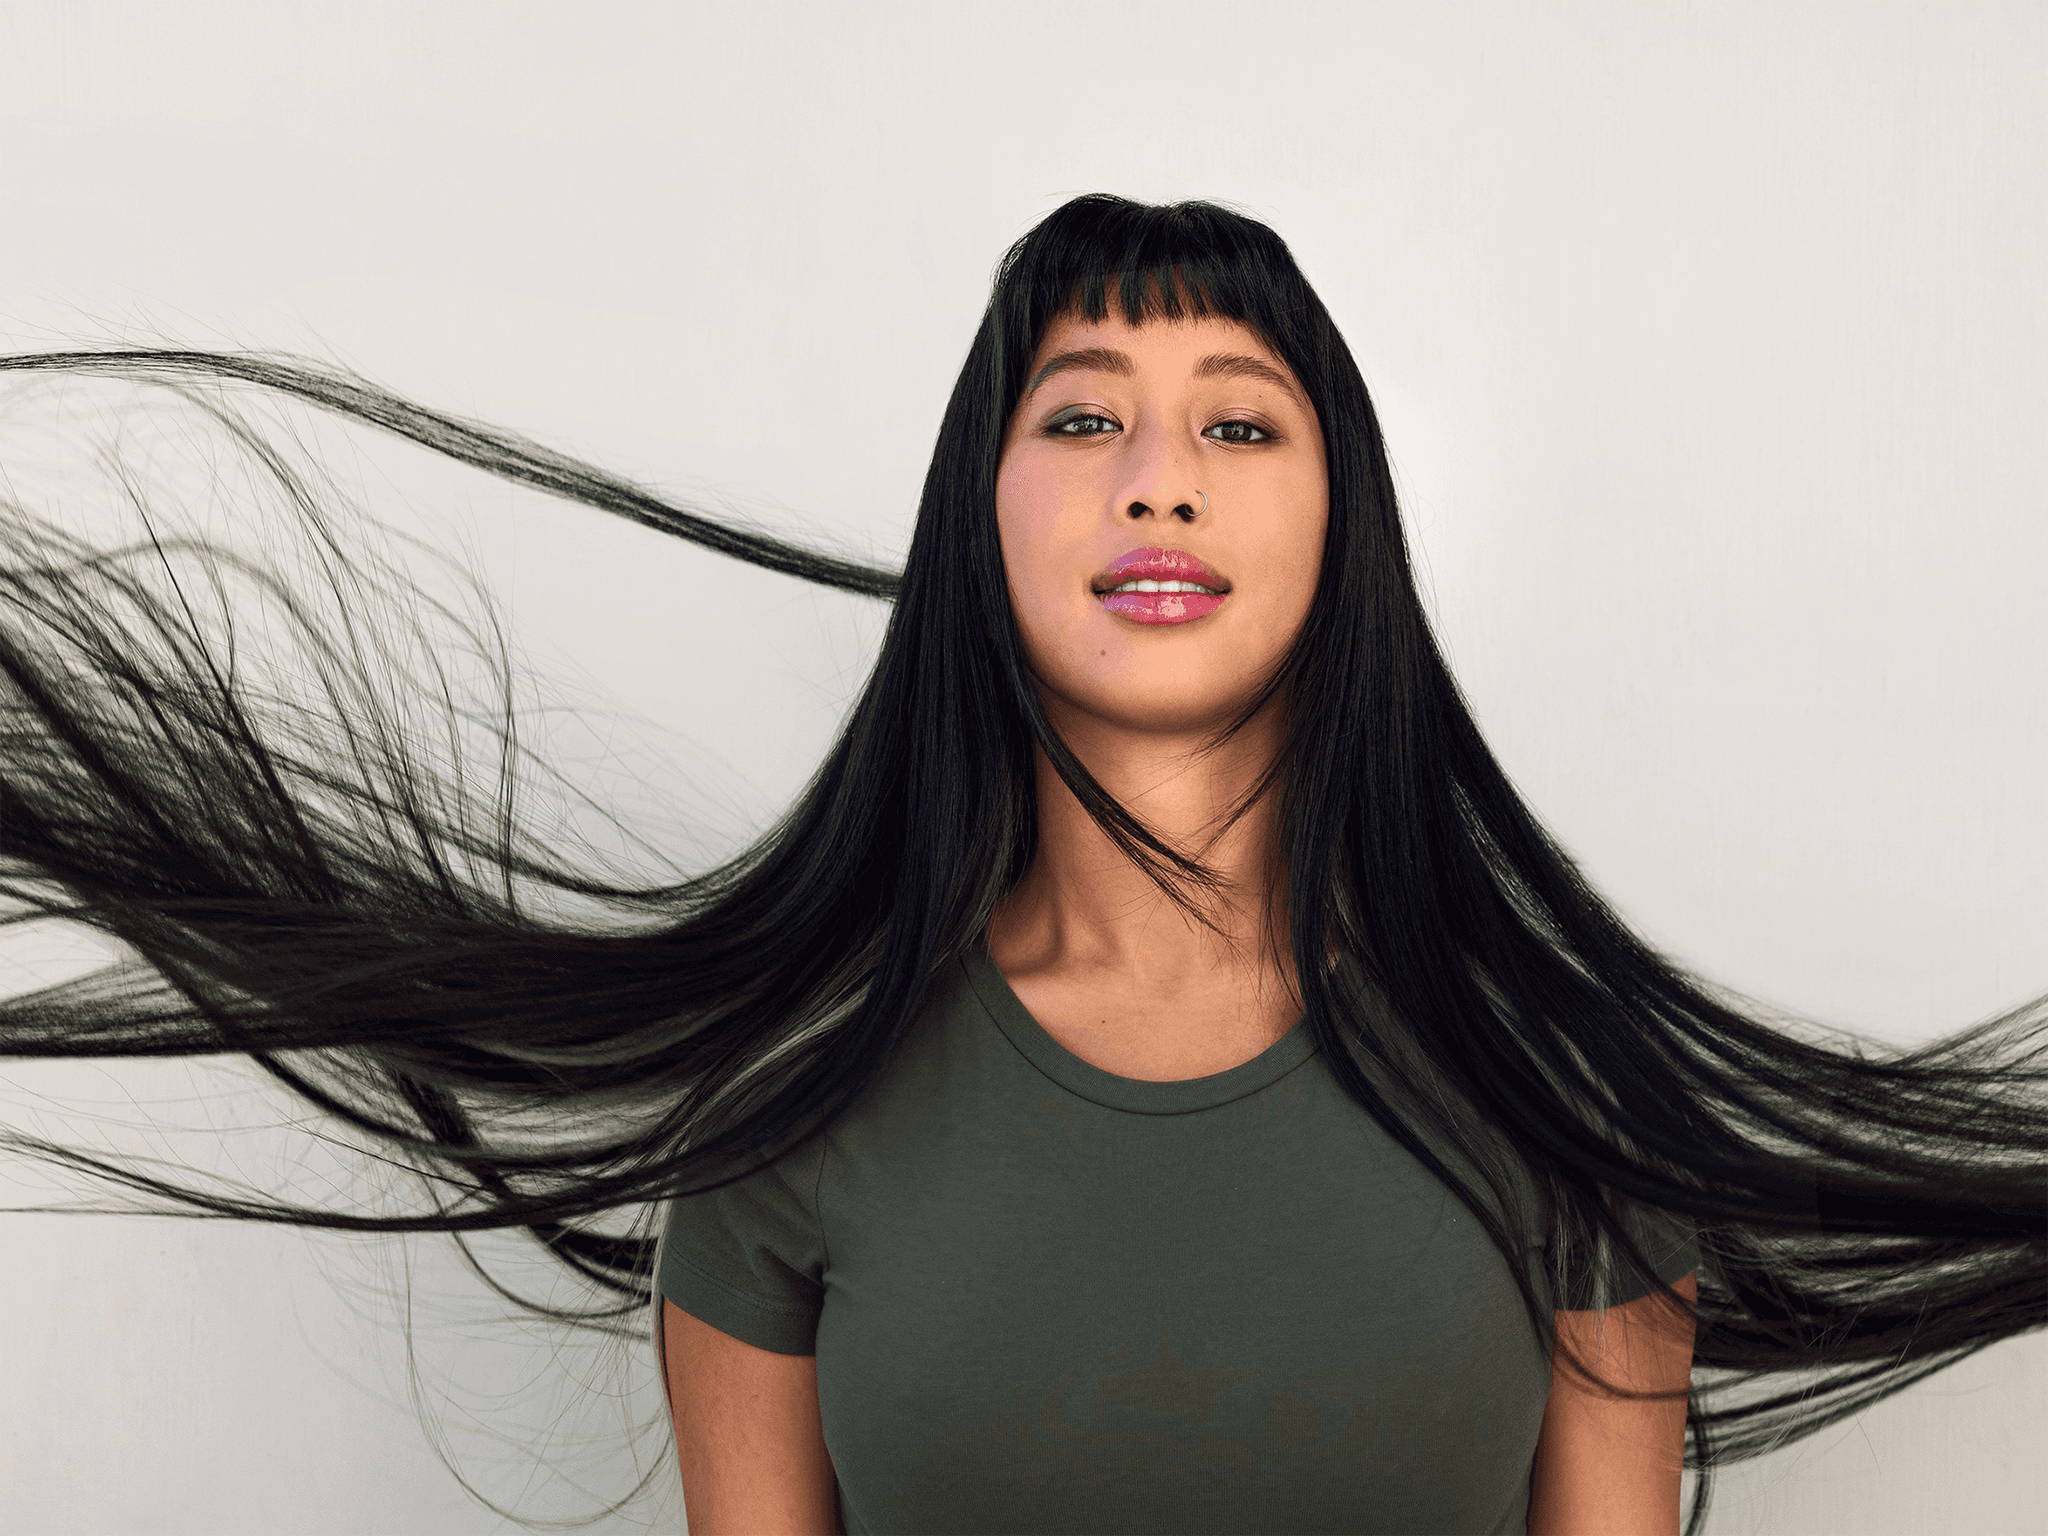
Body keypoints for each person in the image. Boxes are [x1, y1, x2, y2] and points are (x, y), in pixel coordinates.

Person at [0, 194, 2040, 1536]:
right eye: (1084, 414)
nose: (1157, 469)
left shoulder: (1558, 1095)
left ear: (1348, 535)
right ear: (981, 516)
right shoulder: (793, 1110)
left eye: (1241, 425)